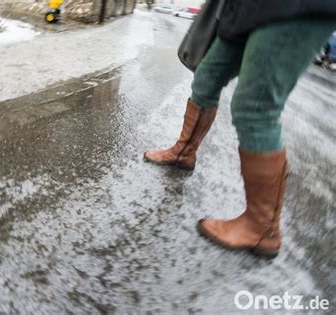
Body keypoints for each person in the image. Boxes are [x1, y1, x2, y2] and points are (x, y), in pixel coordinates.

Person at [144, 0, 336, 257]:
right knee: (205, 80)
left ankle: (262, 229)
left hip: (296, 8)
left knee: (255, 107)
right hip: (246, 11)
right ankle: (184, 152)